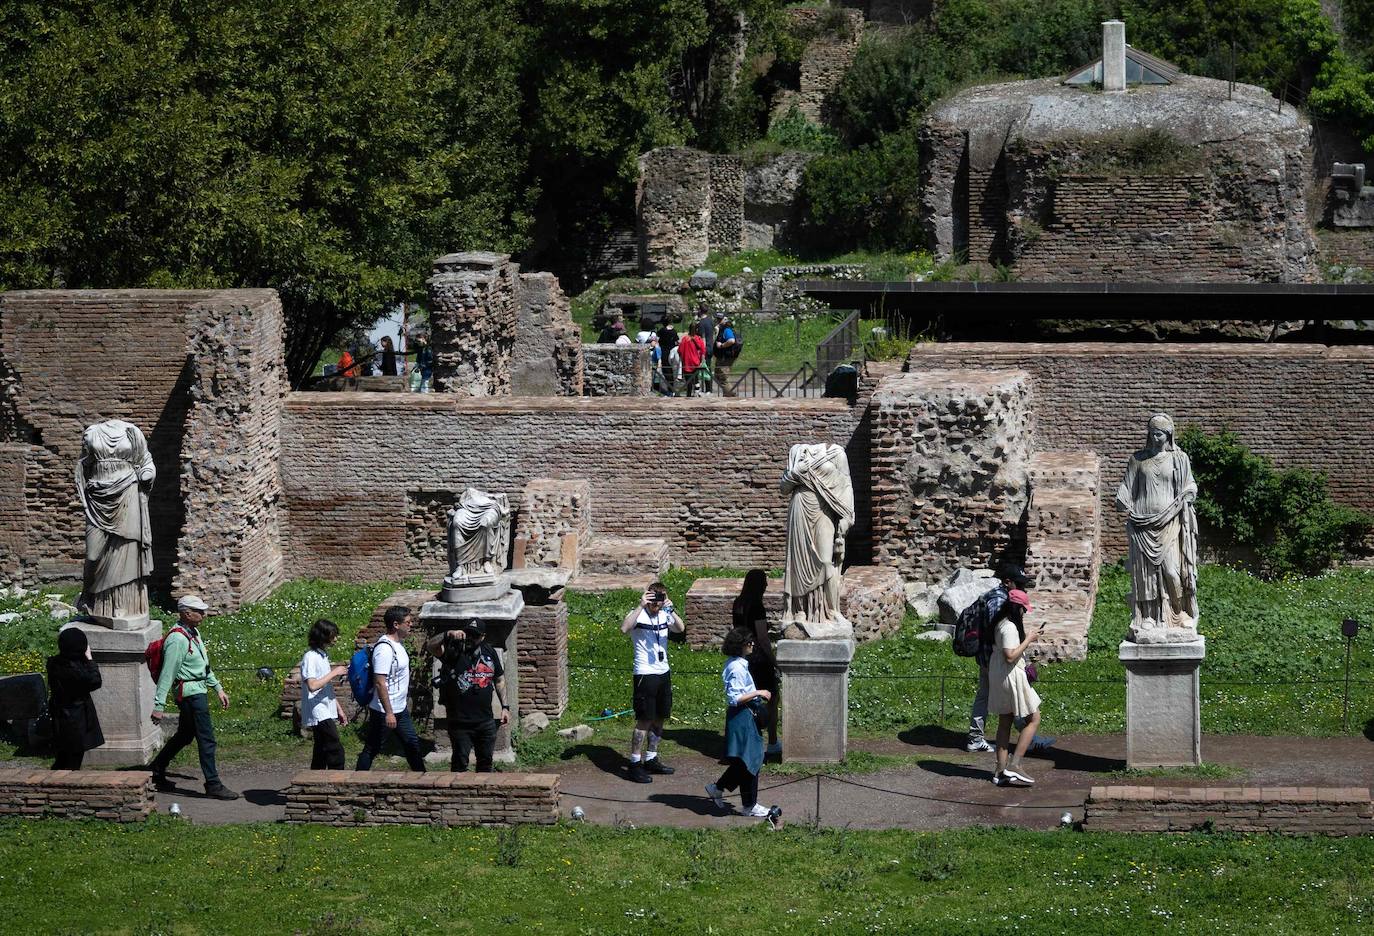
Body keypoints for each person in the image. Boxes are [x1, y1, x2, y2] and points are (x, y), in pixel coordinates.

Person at [1115, 413, 1199, 639]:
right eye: (1152, 433)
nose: (1155, 437)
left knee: (1172, 571)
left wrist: (1189, 493)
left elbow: (1190, 483)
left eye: (1159, 434)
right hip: (1141, 524)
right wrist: (1122, 499)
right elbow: (1127, 486)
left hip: (1169, 521)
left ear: (1169, 434)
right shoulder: (1137, 459)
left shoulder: (1179, 459)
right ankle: (1149, 617)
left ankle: (1179, 612)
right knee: (1146, 575)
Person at [149, 595, 238, 800]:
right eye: (199, 611)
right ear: (186, 613)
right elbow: (167, 673)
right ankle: (213, 784)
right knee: (206, 739)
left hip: (198, 690)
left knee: (184, 735)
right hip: (190, 695)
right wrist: (159, 704)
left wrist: (218, 689)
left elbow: (203, 666)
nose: (203, 614)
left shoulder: (193, 633)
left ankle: (156, 769)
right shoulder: (177, 639)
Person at [704, 627, 772, 818]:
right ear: (741, 645)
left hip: (743, 716)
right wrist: (759, 692)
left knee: (746, 761)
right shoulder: (736, 668)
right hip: (742, 716)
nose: (752, 645)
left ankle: (719, 789)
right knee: (751, 759)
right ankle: (749, 805)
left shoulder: (737, 664)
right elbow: (735, 698)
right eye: (750, 642)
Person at [621, 582, 684, 783]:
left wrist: (671, 608)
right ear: (647, 596)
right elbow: (624, 629)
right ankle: (634, 763)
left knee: (660, 716)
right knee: (645, 719)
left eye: (661, 597)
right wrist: (640, 605)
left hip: (663, 672)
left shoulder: (665, 614)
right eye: (654, 597)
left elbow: (681, 628)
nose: (656, 602)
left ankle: (651, 758)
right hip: (645, 674)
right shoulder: (638, 614)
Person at [427, 619, 509, 772]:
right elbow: (431, 646)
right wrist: (447, 634)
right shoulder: (454, 650)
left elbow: (499, 679)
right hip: (460, 722)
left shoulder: (489, 652)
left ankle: (482, 793)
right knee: (459, 763)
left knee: (485, 763)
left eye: (475, 635)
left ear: (483, 636)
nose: (470, 638)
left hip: (485, 721)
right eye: (468, 633)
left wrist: (505, 707)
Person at [356, 605, 427, 772]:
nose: (411, 625)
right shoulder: (384, 649)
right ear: (396, 624)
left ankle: (422, 779)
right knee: (372, 748)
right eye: (408, 622)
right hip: (384, 711)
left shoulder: (398, 645)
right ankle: (357, 780)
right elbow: (380, 682)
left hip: (399, 709)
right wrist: (388, 712)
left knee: (412, 745)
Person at [966, 564, 1028, 753]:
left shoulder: (997, 597)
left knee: (987, 695)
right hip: (994, 658)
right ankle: (1027, 735)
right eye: (1018, 583)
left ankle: (976, 737)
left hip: (990, 657)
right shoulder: (998, 601)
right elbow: (999, 633)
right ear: (1008, 582)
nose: (1021, 587)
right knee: (1013, 694)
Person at [990, 589, 1043, 787]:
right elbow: (1010, 656)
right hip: (1010, 676)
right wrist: (1028, 640)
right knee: (1033, 718)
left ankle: (1000, 771)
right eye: (1023, 609)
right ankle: (1015, 764)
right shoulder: (1009, 628)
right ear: (1016, 608)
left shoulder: (999, 623)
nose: (1024, 613)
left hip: (999, 674)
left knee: (1005, 721)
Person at [733, 570, 778, 753]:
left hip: (743, 655)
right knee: (772, 697)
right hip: (758, 657)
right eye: (764, 582)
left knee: (749, 698)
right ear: (758, 585)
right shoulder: (757, 606)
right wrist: (774, 661)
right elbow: (763, 638)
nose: (767, 585)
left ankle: (746, 742)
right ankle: (772, 742)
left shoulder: (738, 603)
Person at [46, 627, 103, 770]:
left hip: (60, 715)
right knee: (73, 761)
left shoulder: (54, 663)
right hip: (76, 718)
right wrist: (90, 659)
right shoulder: (74, 672)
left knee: (62, 757)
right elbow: (95, 681)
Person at [300, 619, 349, 770]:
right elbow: (313, 685)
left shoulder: (322, 656)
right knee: (335, 748)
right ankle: (337, 779)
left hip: (325, 707)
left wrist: (339, 710)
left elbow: (326, 687)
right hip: (317, 709)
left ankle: (314, 780)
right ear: (322, 636)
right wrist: (335, 672)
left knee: (321, 749)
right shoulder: (310, 657)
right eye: (332, 635)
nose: (335, 639)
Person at [678, 324, 706, 397]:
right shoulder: (698, 339)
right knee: (696, 379)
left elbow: (679, 350)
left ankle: (689, 395)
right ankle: (697, 394)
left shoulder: (685, 339)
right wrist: (702, 360)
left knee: (688, 382)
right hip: (696, 362)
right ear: (696, 330)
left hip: (687, 363)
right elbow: (703, 350)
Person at [714, 316, 739, 397]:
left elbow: (731, 340)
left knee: (723, 377)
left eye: (719, 319)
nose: (717, 321)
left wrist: (722, 345)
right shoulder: (721, 329)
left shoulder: (727, 329)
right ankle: (728, 393)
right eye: (717, 319)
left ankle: (730, 394)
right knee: (718, 375)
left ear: (724, 320)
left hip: (725, 357)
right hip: (722, 356)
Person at [656, 321, 679, 395]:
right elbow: (676, 341)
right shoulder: (674, 331)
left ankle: (670, 389)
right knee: (673, 370)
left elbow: (658, 337)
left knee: (666, 370)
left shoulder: (662, 330)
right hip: (672, 351)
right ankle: (673, 388)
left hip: (664, 352)